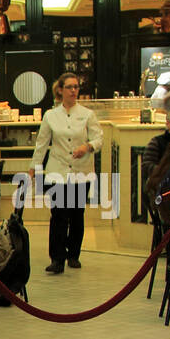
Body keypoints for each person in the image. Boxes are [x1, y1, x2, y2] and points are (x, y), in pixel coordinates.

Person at [31, 72, 103, 274]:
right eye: (69, 87)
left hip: (81, 171)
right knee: (58, 215)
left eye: (76, 87)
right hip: (57, 171)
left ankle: (73, 254)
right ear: (60, 90)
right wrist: (34, 166)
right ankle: (57, 258)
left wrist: (87, 146)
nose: (73, 90)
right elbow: (42, 144)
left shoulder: (88, 114)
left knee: (76, 214)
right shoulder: (50, 116)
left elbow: (99, 139)